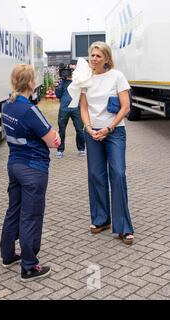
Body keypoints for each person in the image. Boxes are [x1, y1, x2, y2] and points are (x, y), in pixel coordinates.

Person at [0, 64, 61, 281]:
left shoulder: (7, 106)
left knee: (13, 210)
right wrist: (58, 136)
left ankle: (8, 255)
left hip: (14, 166)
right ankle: (29, 266)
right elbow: (53, 141)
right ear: (31, 83)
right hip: (33, 169)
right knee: (31, 217)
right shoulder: (29, 110)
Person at [79, 42, 135, 245]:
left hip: (114, 133)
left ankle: (123, 227)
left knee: (118, 174)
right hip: (92, 133)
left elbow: (125, 107)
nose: (93, 59)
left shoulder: (117, 76)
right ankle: (101, 220)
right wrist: (88, 127)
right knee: (95, 175)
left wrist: (109, 128)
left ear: (107, 58)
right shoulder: (85, 79)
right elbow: (83, 107)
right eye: (92, 55)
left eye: (98, 56)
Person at [55, 65, 86, 158]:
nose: (66, 73)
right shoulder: (61, 82)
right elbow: (58, 95)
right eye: (65, 71)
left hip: (76, 108)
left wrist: (75, 69)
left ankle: (81, 149)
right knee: (62, 130)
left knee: (80, 130)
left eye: (68, 71)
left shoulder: (78, 82)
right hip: (64, 109)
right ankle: (60, 150)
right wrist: (56, 87)